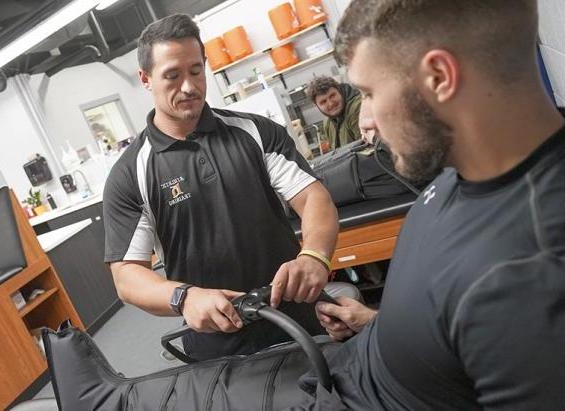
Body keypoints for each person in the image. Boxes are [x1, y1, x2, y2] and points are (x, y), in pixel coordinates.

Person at [298, 0, 565, 409]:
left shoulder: (530, 280)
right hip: (349, 365)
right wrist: (376, 321)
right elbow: (460, 317)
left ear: (439, 76)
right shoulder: (465, 166)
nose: (366, 120)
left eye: (369, 93)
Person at [103, 14, 339, 361]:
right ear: (145, 79)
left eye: (196, 71)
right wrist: (184, 298)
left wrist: (314, 254)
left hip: (298, 314)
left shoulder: (255, 133)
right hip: (218, 341)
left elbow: (313, 198)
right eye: (172, 75)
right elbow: (128, 277)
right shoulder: (131, 174)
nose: (188, 86)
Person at [306, 75, 362, 152]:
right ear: (317, 106)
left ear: (339, 90)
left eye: (332, 96)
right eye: (323, 102)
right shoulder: (327, 122)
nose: (330, 103)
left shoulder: (356, 108)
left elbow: (366, 148)